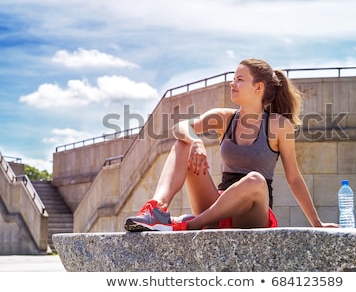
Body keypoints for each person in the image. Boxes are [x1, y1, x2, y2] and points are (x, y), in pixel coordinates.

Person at [124, 58, 339, 231]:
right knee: (183, 143)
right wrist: (196, 141)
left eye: (239, 79)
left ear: (258, 87)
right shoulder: (224, 118)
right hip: (216, 207)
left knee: (255, 179)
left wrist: (316, 223)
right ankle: (157, 210)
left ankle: (188, 225)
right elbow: (179, 127)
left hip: (251, 212)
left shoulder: (279, 126)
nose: (232, 83)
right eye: (233, 79)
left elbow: (294, 178)